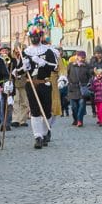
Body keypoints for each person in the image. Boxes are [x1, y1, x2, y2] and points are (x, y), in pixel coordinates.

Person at [20, 16, 57, 149]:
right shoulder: (26, 52)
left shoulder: (47, 51)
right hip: (31, 84)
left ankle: (46, 131)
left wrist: (44, 63)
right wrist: (23, 67)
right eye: (32, 36)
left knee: (46, 111)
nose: (35, 38)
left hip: (44, 83)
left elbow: (54, 66)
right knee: (35, 110)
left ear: (41, 36)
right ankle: (38, 136)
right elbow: (18, 71)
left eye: (37, 36)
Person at [66, 50, 92, 127]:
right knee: (73, 106)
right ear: (77, 57)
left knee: (81, 105)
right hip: (72, 88)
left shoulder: (86, 66)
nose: (83, 58)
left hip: (82, 88)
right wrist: (68, 81)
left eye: (84, 57)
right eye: (81, 57)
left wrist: (88, 84)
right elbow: (67, 74)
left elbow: (90, 76)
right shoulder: (71, 65)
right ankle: (75, 119)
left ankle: (80, 120)